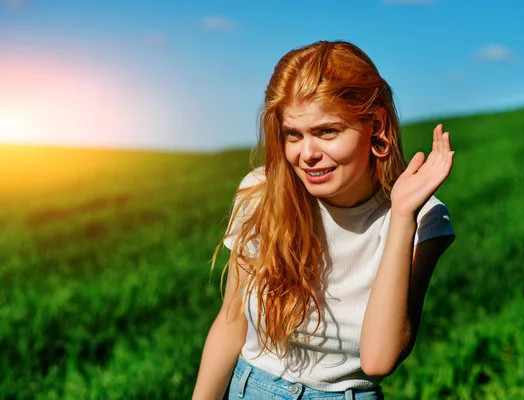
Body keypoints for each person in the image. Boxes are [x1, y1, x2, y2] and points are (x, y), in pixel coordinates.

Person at [192, 40, 456, 400]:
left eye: (327, 131)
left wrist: (403, 216)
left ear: (376, 125)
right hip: (248, 388)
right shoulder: (260, 193)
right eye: (293, 135)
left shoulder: (424, 219)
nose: (307, 155)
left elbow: (378, 360)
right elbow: (230, 322)